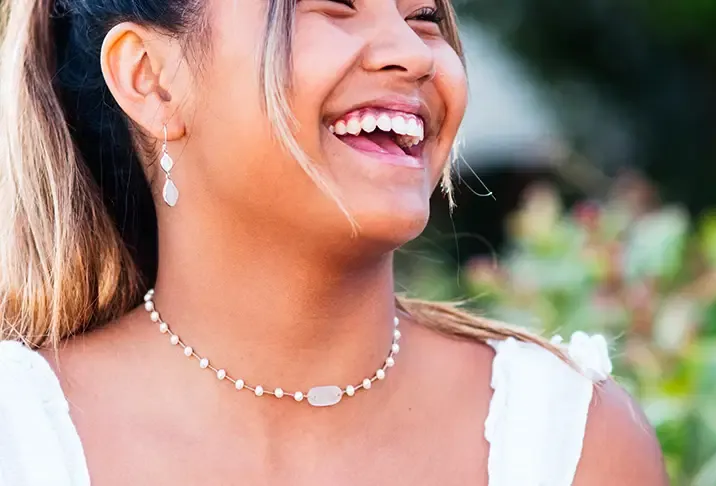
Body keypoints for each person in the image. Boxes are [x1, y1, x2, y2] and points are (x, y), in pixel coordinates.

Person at [0, 0, 668, 484]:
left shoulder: (568, 440)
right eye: (331, 8)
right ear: (150, 78)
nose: (410, 54)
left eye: (425, 17)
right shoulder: (20, 438)